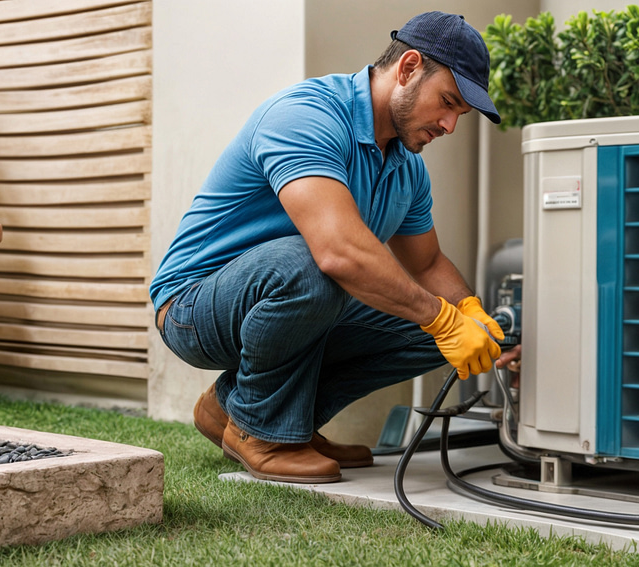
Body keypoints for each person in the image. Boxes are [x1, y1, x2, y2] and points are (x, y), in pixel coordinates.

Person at [150, 12, 505, 484]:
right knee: (320, 268)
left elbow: (428, 262)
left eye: (459, 114)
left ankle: (257, 414)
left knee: (436, 332)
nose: (449, 125)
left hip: (295, 292)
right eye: (447, 102)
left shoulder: (406, 167)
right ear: (408, 68)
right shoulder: (308, 115)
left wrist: (466, 311)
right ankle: (263, 430)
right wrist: (439, 317)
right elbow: (337, 252)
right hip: (194, 306)